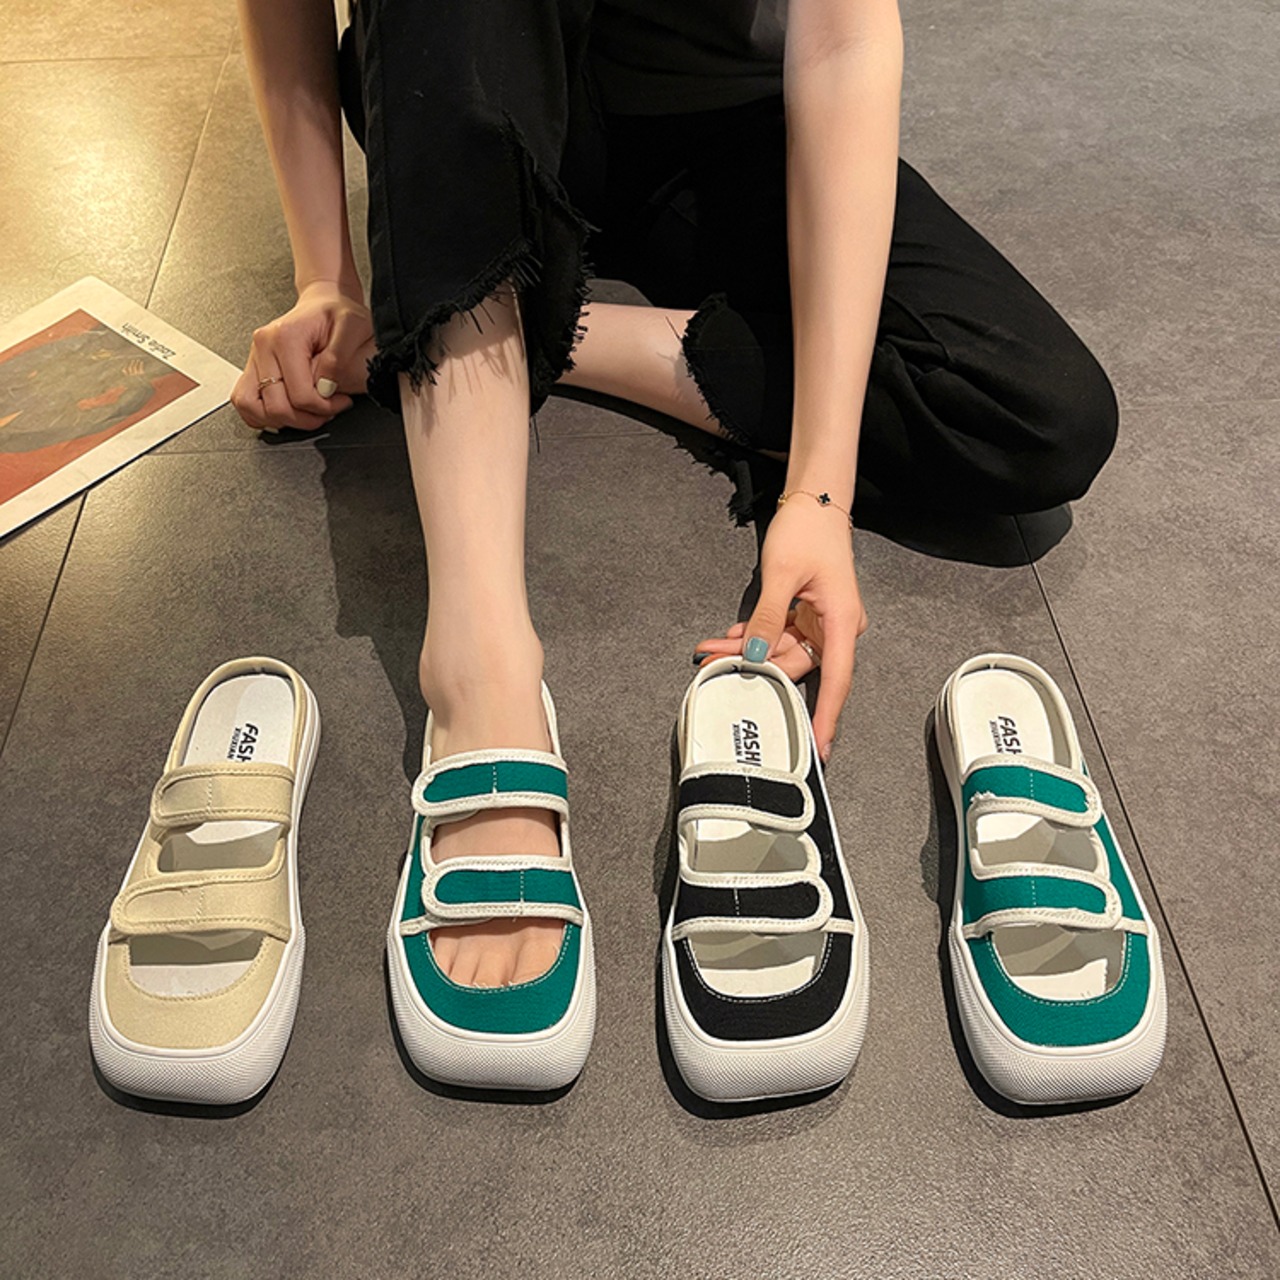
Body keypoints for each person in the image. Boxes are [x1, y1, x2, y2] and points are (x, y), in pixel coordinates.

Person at [229, 0, 1118, 992]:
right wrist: (324, 279)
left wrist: (818, 491)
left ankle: (527, 322)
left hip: (716, 122)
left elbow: (844, 36)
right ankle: (479, 673)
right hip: (475, 85)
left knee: (1036, 412)